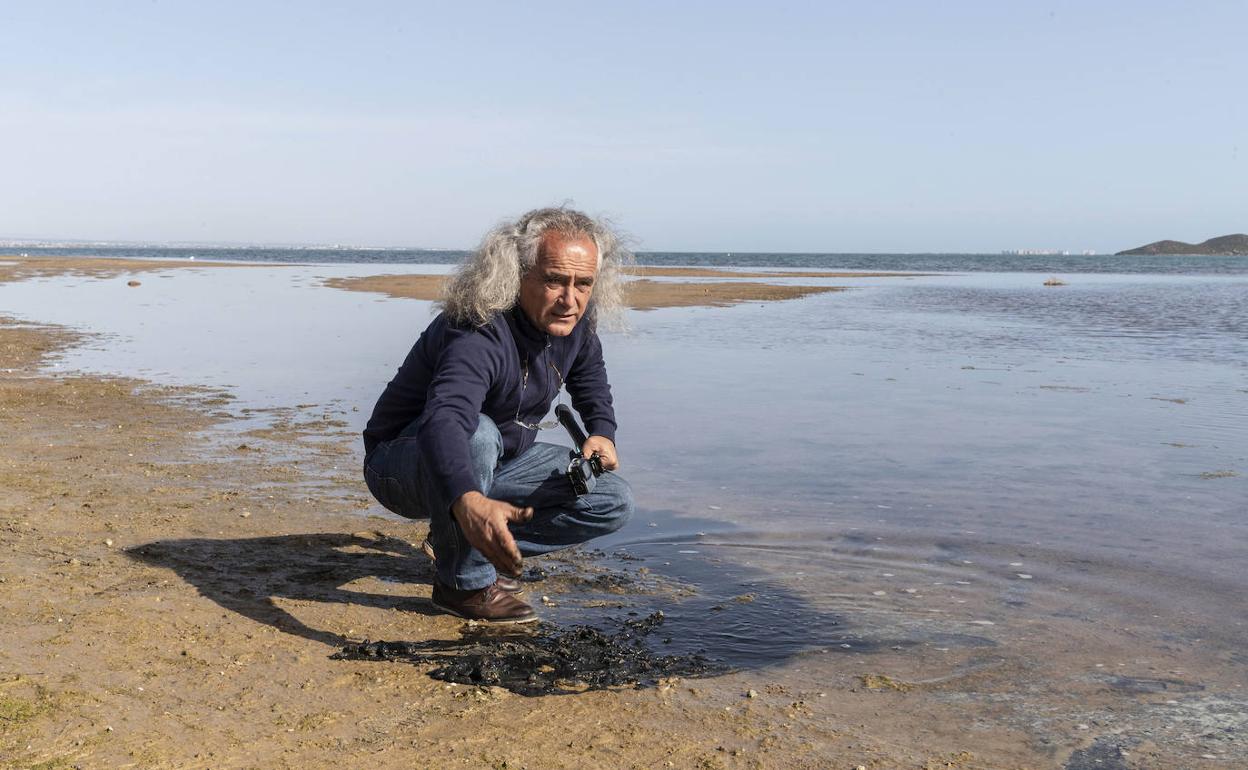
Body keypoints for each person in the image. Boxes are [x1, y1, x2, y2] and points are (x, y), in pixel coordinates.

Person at [362, 207, 634, 623]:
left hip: (499, 459)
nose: (570, 299)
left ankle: (455, 538)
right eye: (554, 280)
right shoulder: (478, 326)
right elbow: (447, 419)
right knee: (479, 433)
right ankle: (463, 586)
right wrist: (468, 499)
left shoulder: (575, 322)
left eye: (584, 284)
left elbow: (590, 377)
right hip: (403, 463)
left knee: (612, 500)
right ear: (517, 273)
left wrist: (601, 431)